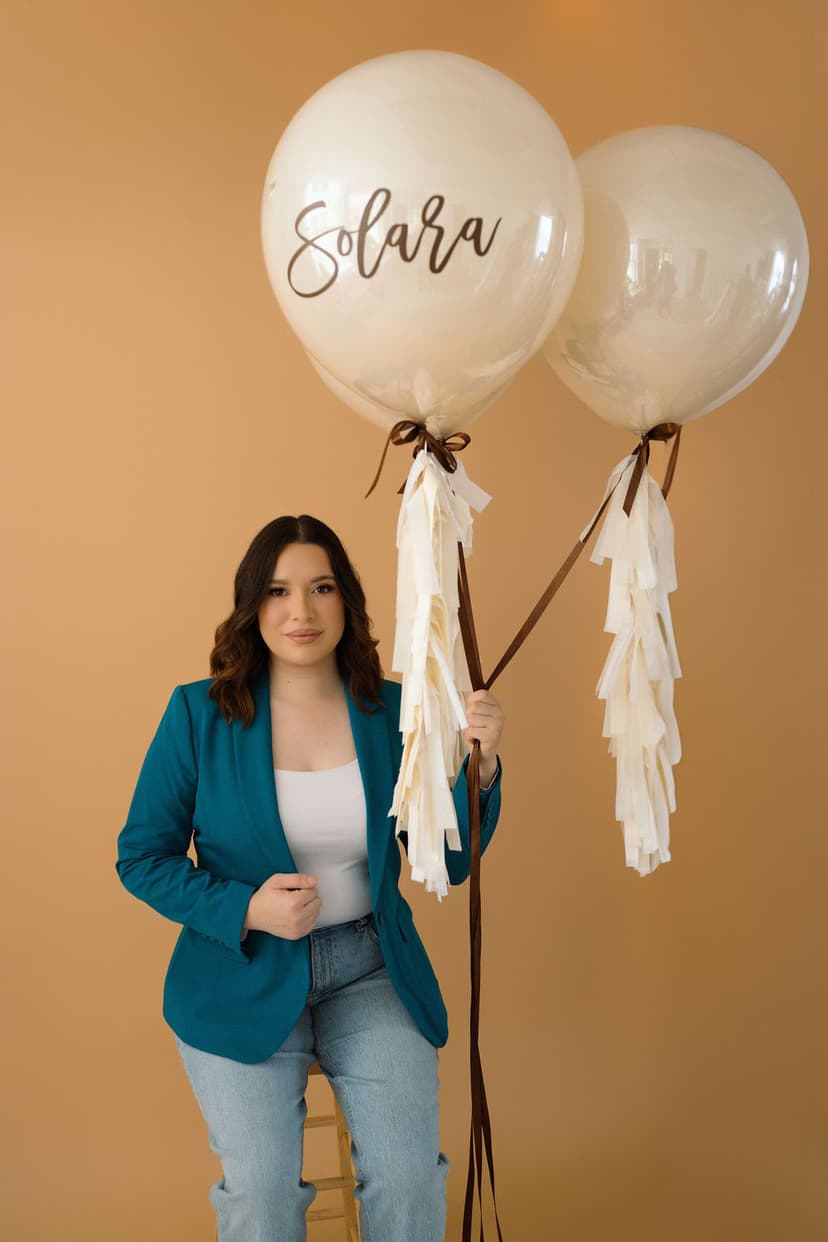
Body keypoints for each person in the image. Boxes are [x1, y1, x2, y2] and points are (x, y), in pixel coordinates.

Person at [116, 514, 504, 1242]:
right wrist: (246, 908)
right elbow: (141, 858)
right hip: (238, 977)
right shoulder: (197, 714)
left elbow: (446, 861)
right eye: (278, 591)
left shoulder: (396, 712)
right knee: (262, 1194)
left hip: (372, 969)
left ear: (346, 601)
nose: (301, 611)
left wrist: (477, 769)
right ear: (251, 605)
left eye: (321, 588)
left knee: (409, 1177)